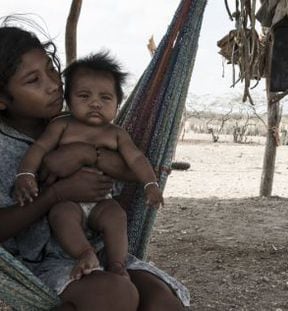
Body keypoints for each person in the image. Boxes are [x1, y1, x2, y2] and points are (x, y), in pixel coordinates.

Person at [0, 20, 189, 311]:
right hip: (37, 267)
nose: (53, 85)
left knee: (163, 302)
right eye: (32, 81)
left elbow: (133, 170)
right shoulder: (4, 147)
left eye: (51, 70)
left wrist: (85, 154)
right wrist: (57, 193)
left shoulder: (78, 118)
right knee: (117, 296)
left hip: (103, 249)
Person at [14, 51, 163, 281]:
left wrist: (151, 184)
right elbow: (40, 149)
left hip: (102, 201)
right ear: (69, 99)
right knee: (61, 215)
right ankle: (86, 253)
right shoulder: (61, 125)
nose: (95, 103)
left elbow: (136, 160)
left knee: (117, 216)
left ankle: (116, 265)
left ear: (117, 103)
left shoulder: (117, 134)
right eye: (84, 96)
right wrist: (25, 174)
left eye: (105, 98)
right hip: (68, 201)